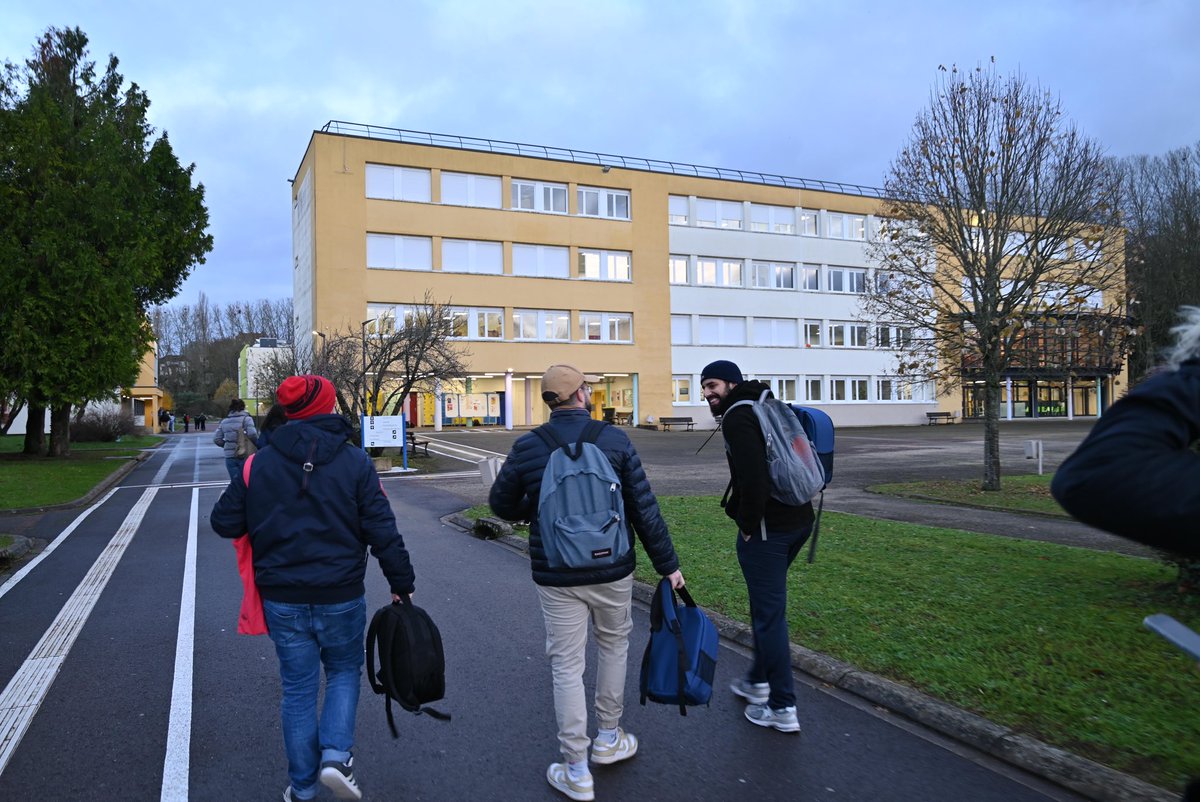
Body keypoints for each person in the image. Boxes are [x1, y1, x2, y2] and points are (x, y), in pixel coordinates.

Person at [210, 375, 416, 802]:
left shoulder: (258, 464)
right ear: (326, 406)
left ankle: (302, 787)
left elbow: (224, 521)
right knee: (343, 671)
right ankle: (336, 756)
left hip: (281, 596)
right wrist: (402, 583)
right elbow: (382, 528)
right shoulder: (354, 461)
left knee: (298, 688)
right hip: (340, 593)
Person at [489, 363, 685, 802]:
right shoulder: (614, 440)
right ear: (580, 395)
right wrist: (668, 566)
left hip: (557, 572)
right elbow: (643, 509)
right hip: (613, 567)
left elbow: (501, 503)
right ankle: (609, 738)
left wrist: (535, 507)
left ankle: (576, 769)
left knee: (566, 665)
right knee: (615, 645)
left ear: (548, 401)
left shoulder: (527, 446)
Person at [699, 359, 811, 734]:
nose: (707, 393)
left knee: (769, 617)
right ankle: (757, 680)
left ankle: (782, 707)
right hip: (799, 521)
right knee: (767, 610)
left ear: (731, 384)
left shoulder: (738, 416)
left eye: (712, 385)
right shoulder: (767, 403)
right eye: (704, 387)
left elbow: (753, 478)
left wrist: (748, 526)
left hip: (768, 530)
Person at [214, 398, 259, 482]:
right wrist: (256, 445)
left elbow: (217, 439)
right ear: (243, 407)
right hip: (245, 453)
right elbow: (252, 434)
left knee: (235, 482)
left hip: (230, 456)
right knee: (248, 481)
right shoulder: (247, 419)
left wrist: (227, 445)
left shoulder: (224, 422)